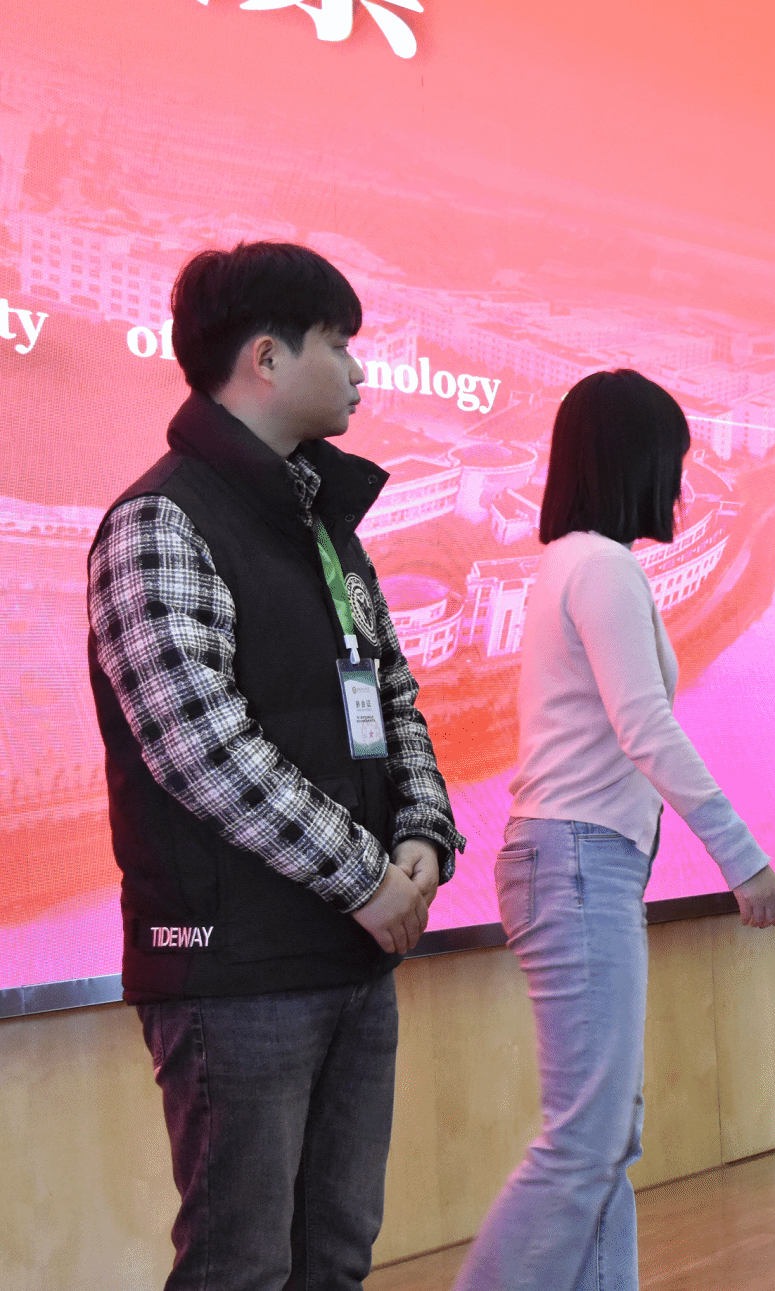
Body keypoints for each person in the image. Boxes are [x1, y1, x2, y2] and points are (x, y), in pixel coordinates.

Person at [86, 241, 463, 1290]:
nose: (358, 369)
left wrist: (423, 835)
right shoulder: (160, 521)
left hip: (349, 954)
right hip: (236, 971)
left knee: (335, 1256)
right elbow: (200, 747)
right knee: (239, 1265)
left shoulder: (324, 523)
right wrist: (368, 878)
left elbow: (392, 693)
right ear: (265, 357)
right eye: (338, 344)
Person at [455, 370, 775, 1290]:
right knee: (587, 1141)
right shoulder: (601, 565)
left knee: (603, 1136)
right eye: (672, 460)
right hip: (575, 861)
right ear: (632, 459)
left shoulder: (577, 561)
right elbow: (646, 725)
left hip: (574, 860)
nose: (679, 482)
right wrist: (743, 856)